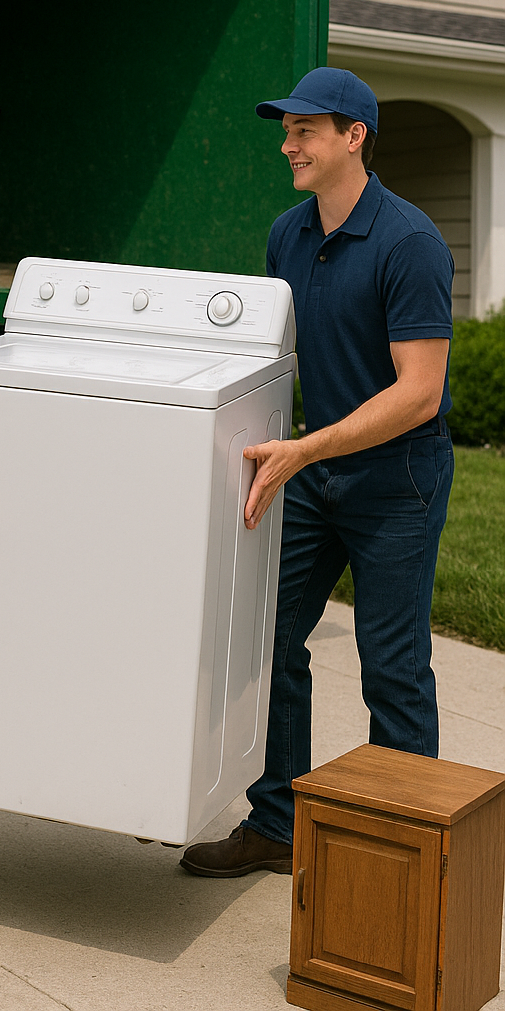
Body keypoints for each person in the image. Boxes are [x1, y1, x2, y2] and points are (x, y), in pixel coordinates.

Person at [181, 67, 454, 879]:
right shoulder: (288, 234)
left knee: (392, 663)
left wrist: (307, 448)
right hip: (318, 472)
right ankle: (278, 823)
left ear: (354, 136)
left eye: (305, 129)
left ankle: (401, 856)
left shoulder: (410, 243)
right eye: (287, 128)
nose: (288, 142)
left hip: (395, 481)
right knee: (266, 637)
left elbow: (420, 392)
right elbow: (271, 360)